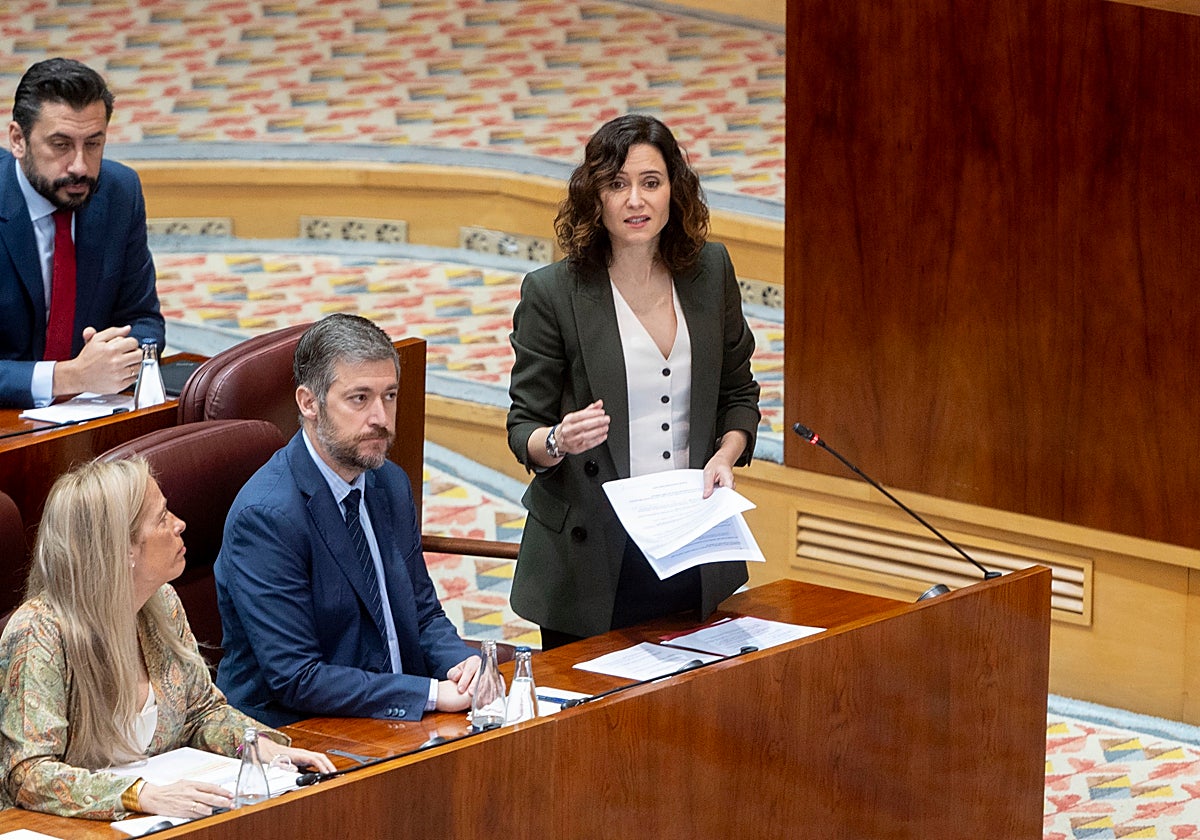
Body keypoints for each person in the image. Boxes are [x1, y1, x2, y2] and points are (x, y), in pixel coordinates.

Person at [506, 114, 761, 649]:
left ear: (675, 191)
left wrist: (725, 455)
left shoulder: (710, 271)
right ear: (594, 198)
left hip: (690, 540)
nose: (635, 201)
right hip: (593, 554)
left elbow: (739, 392)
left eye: (651, 182)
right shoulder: (553, 293)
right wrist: (558, 440)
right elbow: (523, 426)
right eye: (616, 185)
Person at [0, 459, 333, 820]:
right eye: (162, 518)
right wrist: (137, 795)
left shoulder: (162, 603)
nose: (179, 524)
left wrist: (256, 747)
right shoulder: (39, 632)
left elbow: (203, 714)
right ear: (120, 548)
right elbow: (28, 774)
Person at [215, 313, 480, 727]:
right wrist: (428, 694)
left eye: (389, 396)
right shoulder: (267, 517)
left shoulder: (387, 482)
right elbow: (297, 678)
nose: (381, 417)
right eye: (360, 399)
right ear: (309, 403)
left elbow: (422, 612)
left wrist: (462, 664)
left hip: (392, 715)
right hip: (301, 733)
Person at [0, 57, 164, 409]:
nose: (79, 166)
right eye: (60, 145)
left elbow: (143, 319)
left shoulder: (120, 191)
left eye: (93, 144)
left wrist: (117, 355)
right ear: (18, 140)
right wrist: (69, 376)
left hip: (90, 414)